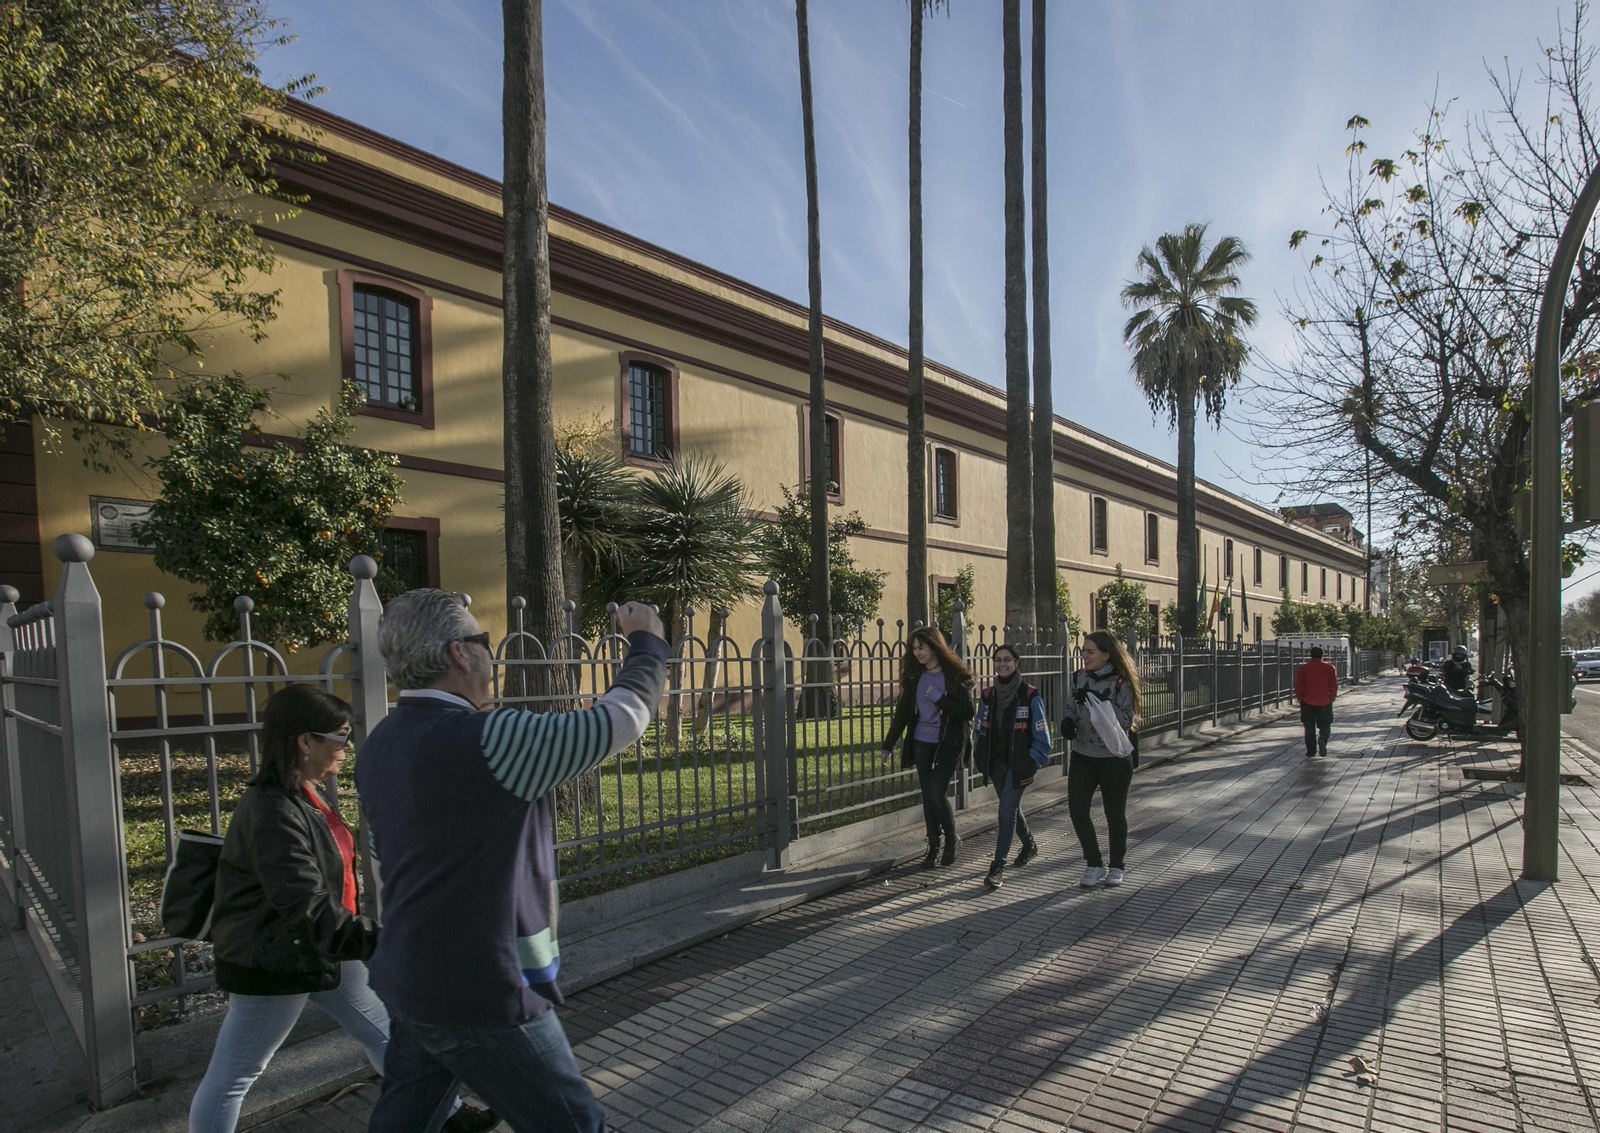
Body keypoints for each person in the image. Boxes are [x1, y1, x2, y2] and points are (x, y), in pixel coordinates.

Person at [357, 589, 668, 1133]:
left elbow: (386, 858)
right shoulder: (490, 738)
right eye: (483, 640)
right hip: (484, 988)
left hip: (408, 977)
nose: (490, 652)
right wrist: (647, 643)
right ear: (460, 654)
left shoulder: (380, 742)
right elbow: (623, 718)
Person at [189, 685, 492, 1133]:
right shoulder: (274, 811)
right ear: (304, 741)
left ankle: (445, 1116)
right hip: (277, 961)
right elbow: (305, 906)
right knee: (235, 1075)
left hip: (320, 949)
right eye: (340, 736)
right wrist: (385, 941)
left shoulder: (303, 795)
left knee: (387, 1034)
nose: (347, 747)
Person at [880, 626, 976, 869]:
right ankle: (933, 847)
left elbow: (967, 711)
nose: (917, 652)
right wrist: (888, 746)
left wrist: (940, 699)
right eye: (914, 648)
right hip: (922, 741)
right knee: (927, 795)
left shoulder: (954, 675)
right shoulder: (915, 677)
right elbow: (902, 715)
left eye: (921, 647)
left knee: (936, 792)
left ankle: (952, 838)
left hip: (948, 743)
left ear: (934, 646)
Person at [1058, 631, 1139, 889]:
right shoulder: (1079, 677)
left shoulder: (1121, 681)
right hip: (1083, 756)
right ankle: (1094, 863)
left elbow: (1126, 720)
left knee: (1114, 814)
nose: (1085, 656)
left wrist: (1100, 703)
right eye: (1083, 651)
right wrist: (1068, 722)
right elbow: (1071, 706)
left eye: (1090, 652)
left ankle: (1117, 865)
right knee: (1078, 810)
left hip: (1113, 758)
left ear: (1107, 654)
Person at [971, 644, 1051, 890]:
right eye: (998, 660)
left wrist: (1032, 760)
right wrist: (979, 752)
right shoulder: (988, 695)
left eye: (1007, 660)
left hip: (1020, 766)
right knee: (1012, 809)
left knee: (1006, 812)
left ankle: (998, 867)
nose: (1002, 664)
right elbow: (979, 727)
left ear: (1017, 663)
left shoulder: (1029, 695)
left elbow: (1042, 736)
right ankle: (1029, 846)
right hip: (995, 764)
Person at [1294, 644, 1339, 758]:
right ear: (1322, 655)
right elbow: (1333, 684)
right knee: (1325, 724)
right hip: (1324, 700)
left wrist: (1300, 697)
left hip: (1307, 701)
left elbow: (1299, 685)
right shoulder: (1329, 668)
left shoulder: (1303, 668)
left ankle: (1311, 751)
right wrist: (1331, 697)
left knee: (1309, 727)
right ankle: (1323, 738)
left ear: (1311, 655)